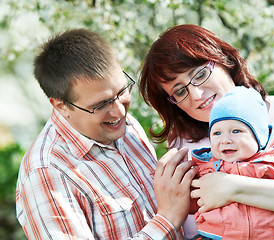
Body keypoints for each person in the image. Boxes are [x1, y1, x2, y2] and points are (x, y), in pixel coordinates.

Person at [139, 24, 274, 239]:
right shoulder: (183, 144)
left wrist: (232, 187)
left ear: (224, 60)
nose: (196, 94)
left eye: (199, 75)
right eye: (179, 91)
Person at [15, 28, 198, 239]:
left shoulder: (122, 124)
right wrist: (167, 220)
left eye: (122, 91)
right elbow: (168, 215)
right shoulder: (47, 173)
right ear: (61, 106)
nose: (120, 111)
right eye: (101, 104)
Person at [190, 86, 274, 240]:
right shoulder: (206, 166)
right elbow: (190, 197)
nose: (225, 140)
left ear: (258, 137)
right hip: (214, 236)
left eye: (236, 131)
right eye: (217, 133)